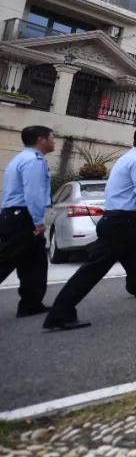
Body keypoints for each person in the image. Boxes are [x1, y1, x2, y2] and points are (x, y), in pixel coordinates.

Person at [43, 126, 136, 330]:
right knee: (92, 270)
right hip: (121, 223)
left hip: (121, 222)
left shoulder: (127, 158)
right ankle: (60, 313)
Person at [0, 125, 54, 318]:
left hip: (16, 214)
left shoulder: (22, 158)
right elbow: (33, 194)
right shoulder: (33, 161)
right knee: (6, 260)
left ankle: (31, 303)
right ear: (41, 139)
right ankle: (31, 302)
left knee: (34, 263)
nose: (53, 141)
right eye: (51, 137)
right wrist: (38, 222)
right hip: (23, 216)